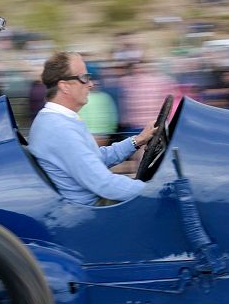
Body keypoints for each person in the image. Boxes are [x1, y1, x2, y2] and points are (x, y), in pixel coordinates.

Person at [28, 52, 156, 206]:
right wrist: (156, 192)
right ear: (64, 86)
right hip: (92, 209)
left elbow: (94, 159)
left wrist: (137, 140)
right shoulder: (60, 129)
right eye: (84, 78)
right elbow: (104, 183)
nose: (91, 84)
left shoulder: (56, 120)